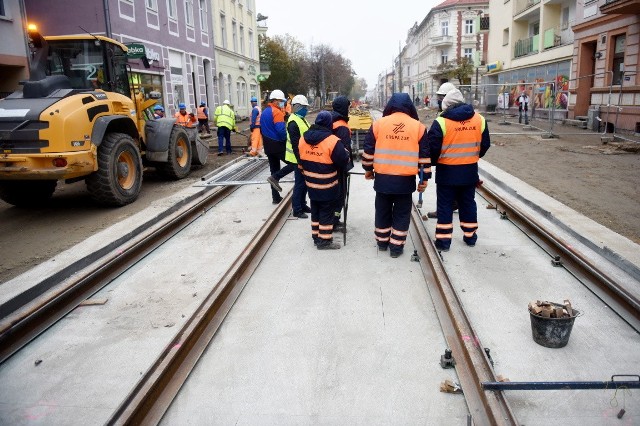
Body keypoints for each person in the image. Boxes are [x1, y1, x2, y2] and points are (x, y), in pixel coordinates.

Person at [361, 93, 431, 258]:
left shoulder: (379, 125)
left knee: (382, 210)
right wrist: (424, 179)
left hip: (383, 179)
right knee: (402, 213)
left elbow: (368, 149)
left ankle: (382, 242)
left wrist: (368, 169)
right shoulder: (418, 127)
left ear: (390, 106)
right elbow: (424, 157)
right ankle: (396, 247)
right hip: (405, 182)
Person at [427, 88, 490, 252]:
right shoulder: (479, 120)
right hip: (469, 172)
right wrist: (473, 157)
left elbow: (432, 148)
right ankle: (470, 237)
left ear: (445, 105)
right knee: (468, 203)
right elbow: (485, 145)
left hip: (446, 173)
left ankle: (443, 242)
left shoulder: (441, 122)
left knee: (445, 206)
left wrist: (435, 162)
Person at [298, 111, 351, 250]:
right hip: (327, 183)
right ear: (329, 124)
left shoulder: (303, 138)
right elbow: (343, 160)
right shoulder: (332, 140)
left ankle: (316, 236)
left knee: (315, 208)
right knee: (326, 211)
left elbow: (300, 160)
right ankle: (324, 241)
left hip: (310, 182)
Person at [427, 81, 458, 219]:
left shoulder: (446, 116)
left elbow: (436, 140)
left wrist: (432, 159)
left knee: (445, 188)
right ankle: (455, 203)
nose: (439, 100)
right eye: (439, 97)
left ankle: (444, 210)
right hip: (460, 158)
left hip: (447, 158)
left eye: (442, 97)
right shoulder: (445, 113)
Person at [261, 89, 295, 204]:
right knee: (294, 163)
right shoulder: (277, 112)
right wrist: (287, 140)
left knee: (274, 170)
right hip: (277, 145)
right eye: (281, 101)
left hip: (267, 145)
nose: (283, 103)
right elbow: (281, 131)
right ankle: (276, 178)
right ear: (275, 101)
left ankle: (275, 198)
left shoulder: (265, 111)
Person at [285, 94, 312, 218]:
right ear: (297, 107)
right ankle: (297, 209)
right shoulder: (293, 123)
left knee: (305, 183)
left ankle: (303, 204)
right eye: (304, 107)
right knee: (300, 184)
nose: (306, 110)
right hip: (297, 158)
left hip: (304, 157)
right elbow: (296, 145)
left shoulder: (301, 119)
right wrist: (300, 162)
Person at [330, 95, 354, 232]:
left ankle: (333, 220)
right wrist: (346, 166)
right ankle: (334, 221)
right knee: (340, 194)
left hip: (330, 164)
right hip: (340, 167)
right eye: (348, 107)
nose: (349, 109)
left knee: (334, 193)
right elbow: (343, 150)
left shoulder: (332, 121)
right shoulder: (342, 126)